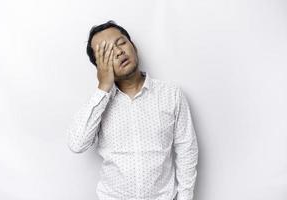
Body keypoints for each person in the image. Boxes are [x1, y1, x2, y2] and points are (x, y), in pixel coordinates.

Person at [67, 20, 199, 200]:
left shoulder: (171, 94)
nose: (119, 52)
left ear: (133, 46)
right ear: (100, 66)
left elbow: (187, 149)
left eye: (121, 43)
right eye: (107, 52)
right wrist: (103, 86)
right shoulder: (98, 104)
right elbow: (77, 144)